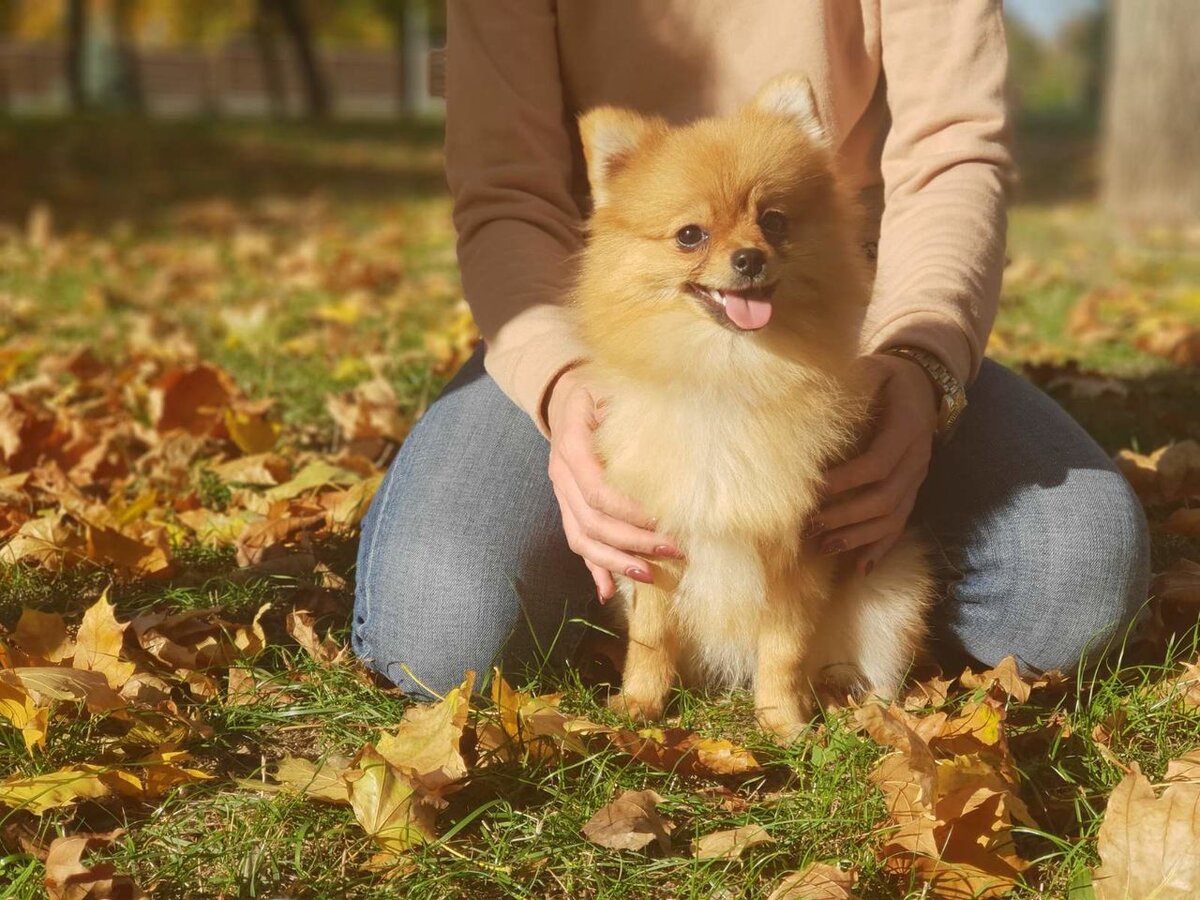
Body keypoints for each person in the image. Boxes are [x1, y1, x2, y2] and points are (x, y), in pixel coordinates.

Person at [351, 1, 1150, 697]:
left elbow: (953, 152)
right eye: (702, 230)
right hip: (596, 332)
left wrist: (923, 364)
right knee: (441, 633)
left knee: (1074, 588)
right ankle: (648, 586)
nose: (741, 246)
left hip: (844, 331)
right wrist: (558, 385)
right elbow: (508, 193)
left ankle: (811, 587)